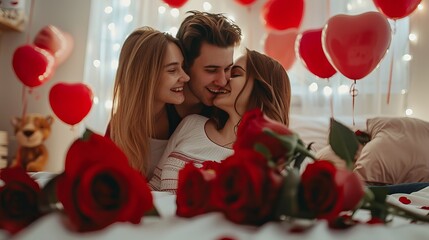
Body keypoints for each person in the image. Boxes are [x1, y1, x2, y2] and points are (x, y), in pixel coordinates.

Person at [149, 49, 291, 192]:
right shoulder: (191, 124)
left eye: (235, 74)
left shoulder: (265, 161)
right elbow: (154, 185)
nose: (223, 80)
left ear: (260, 89)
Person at [107, 26, 190, 178]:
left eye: (183, 67)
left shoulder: (185, 121)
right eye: (172, 70)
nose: (185, 77)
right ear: (146, 76)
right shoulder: (117, 128)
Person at [167, 10, 242, 128]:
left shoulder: (227, 114)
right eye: (211, 70)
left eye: (227, 69)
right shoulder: (156, 107)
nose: (222, 82)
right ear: (185, 65)